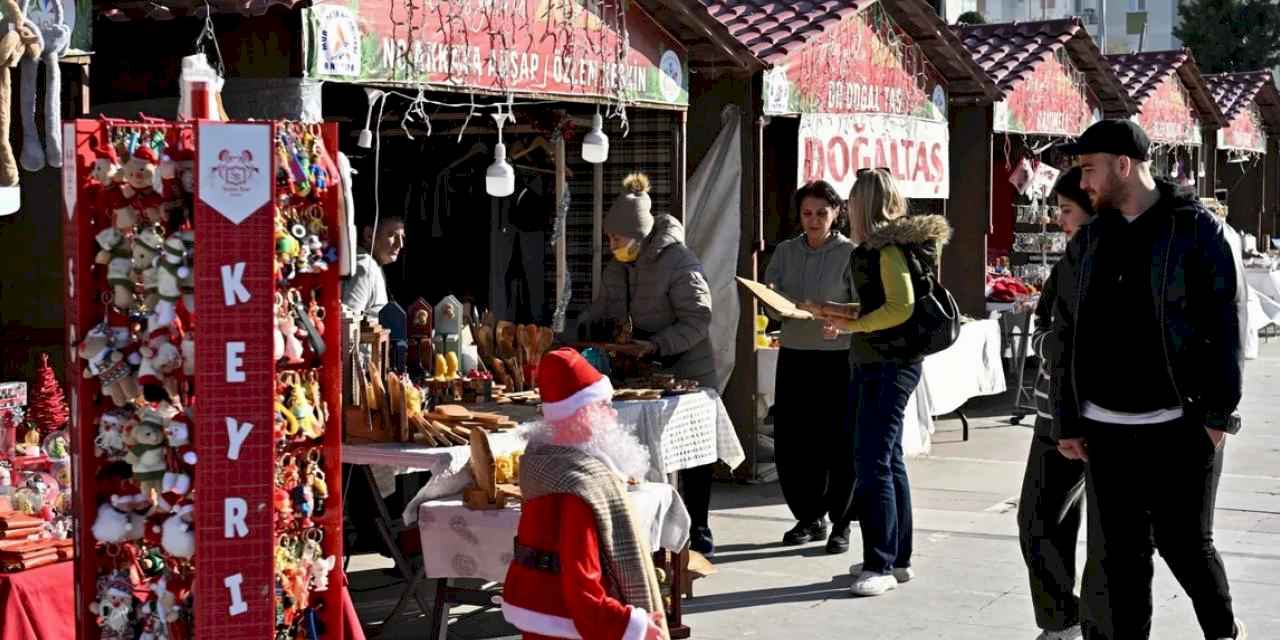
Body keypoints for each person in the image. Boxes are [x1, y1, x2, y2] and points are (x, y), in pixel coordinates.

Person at [1052, 120, 1245, 640]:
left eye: (1090, 170)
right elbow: (1065, 332)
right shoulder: (1090, 239)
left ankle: (1223, 632)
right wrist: (1067, 418)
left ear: (1123, 165)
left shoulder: (1195, 230)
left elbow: (1225, 325)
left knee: (1186, 547)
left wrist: (1216, 417)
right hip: (1105, 429)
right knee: (1120, 562)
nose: (1084, 183)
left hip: (1178, 422)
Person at [814, 169, 951, 597]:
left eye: (852, 201)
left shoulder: (884, 248)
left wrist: (856, 326)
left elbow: (899, 308)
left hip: (888, 364)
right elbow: (883, 304)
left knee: (871, 461)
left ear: (862, 205)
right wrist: (839, 313)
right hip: (886, 361)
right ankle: (897, 557)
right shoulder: (888, 247)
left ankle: (881, 563)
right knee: (888, 459)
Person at [586, 173, 717, 556]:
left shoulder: (679, 261)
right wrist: (582, 331)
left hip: (687, 366)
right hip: (640, 367)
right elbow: (604, 310)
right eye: (609, 238)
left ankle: (700, 526)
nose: (612, 245)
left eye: (617, 238)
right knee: (640, 452)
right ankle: (647, 529)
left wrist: (657, 344)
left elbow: (698, 319)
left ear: (640, 236)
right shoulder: (616, 267)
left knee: (694, 456)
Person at [502, 348, 669, 640]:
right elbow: (583, 587)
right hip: (570, 625)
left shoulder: (544, 464)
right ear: (583, 415)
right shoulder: (579, 486)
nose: (614, 413)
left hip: (544, 613)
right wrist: (630, 626)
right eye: (605, 404)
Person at [1017, 167, 1095, 640]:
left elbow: (1065, 337)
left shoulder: (1094, 258)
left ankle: (1064, 620)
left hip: (1077, 415)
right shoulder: (1076, 256)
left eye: (1066, 211)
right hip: (1055, 410)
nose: (1060, 221)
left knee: (1039, 520)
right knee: (1050, 521)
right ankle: (1062, 618)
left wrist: (1047, 342)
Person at [763, 181, 859, 554]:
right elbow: (771, 299)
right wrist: (776, 305)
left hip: (838, 357)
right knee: (795, 441)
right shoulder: (786, 252)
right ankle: (808, 516)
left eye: (822, 212)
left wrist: (837, 316)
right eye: (807, 213)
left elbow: (861, 307)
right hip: (795, 353)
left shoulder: (850, 253)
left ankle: (843, 522)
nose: (814, 220)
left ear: (837, 212)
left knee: (839, 442)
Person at [342, 214, 406, 318]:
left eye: (402, 237)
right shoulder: (364, 267)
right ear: (369, 235)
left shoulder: (373, 264)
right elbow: (348, 321)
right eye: (392, 235)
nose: (400, 244)